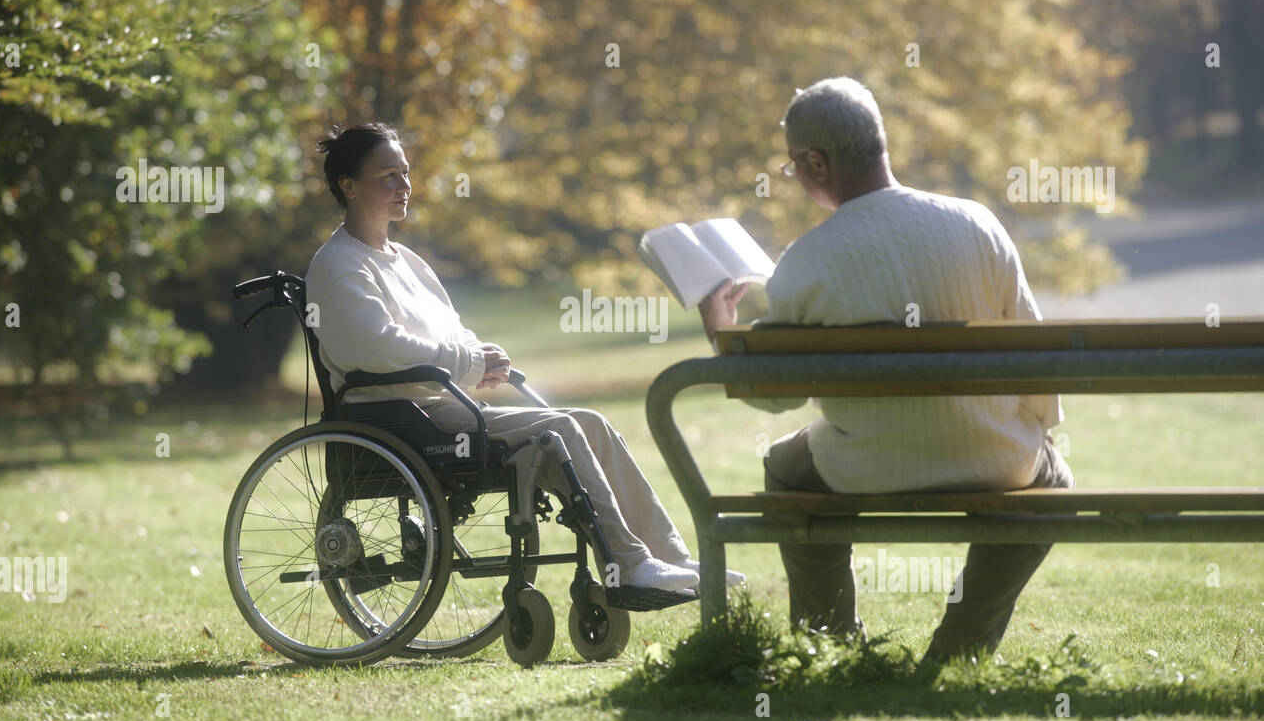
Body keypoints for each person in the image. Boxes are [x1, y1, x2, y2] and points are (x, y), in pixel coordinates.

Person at [697, 77, 1072, 665]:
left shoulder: (806, 261)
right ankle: (958, 651)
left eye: (794, 165)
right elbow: (1034, 350)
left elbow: (770, 396)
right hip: (998, 459)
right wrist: (1037, 431)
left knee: (785, 470)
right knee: (1054, 485)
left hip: (861, 467)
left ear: (817, 162)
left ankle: (833, 649)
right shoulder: (977, 224)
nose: (794, 175)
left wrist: (722, 331)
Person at [305, 122, 742, 592]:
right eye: (388, 175)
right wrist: (466, 363)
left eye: (406, 173)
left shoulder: (406, 260)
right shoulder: (339, 264)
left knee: (590, 421)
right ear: (348, 186)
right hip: (397, 421)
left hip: (442, 409)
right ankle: (630, 563)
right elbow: (376, 347)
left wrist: (480, 355)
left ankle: (669, 558)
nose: (404, 186)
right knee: (559, 430)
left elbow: (451, 330)